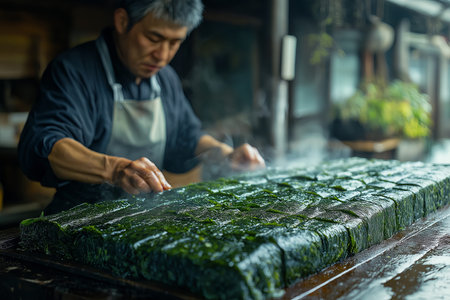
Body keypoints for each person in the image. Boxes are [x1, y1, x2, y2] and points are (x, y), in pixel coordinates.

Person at [18, 0, 265, 214]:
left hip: (138, 218)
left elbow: (188, 136)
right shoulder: (73, 71)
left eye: (174, 42)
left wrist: (224, 154)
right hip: (74, 219)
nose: (162, 55)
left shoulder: (165, 78)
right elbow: (47, 144)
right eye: (154, 38)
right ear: (122, 21)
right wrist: (115, 169)